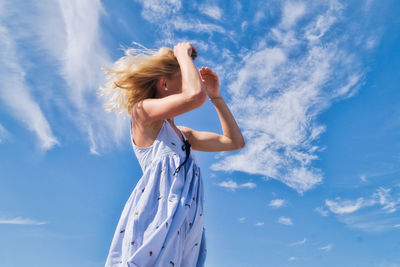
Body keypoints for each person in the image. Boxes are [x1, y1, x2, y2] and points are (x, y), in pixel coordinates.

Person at [100, 41, 245, 267]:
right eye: (185, 75)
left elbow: (234, 141)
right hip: (156, 221)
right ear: (164, 83)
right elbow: (195, 96)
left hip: (185, 228)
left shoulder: (185, 136)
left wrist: (216, 97)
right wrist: (182, 54)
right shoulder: (142, 113)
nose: (191, 79)